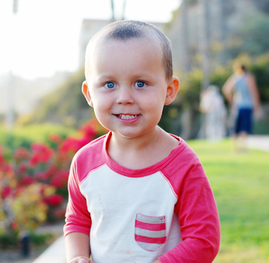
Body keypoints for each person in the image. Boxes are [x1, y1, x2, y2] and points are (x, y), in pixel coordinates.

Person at [64, 20, 220, 263]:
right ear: (89, 94)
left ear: (169, 90)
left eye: (140, 83)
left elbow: (204, 239)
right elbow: (78, 221)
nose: (124, 98)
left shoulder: (183, 165)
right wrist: (77, 256)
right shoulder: (85, 163)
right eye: (109, 84)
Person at [222, 62, 261, 152]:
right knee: (244, 127)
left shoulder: (235, 78)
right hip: (247, 105)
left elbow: (226, 90)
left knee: (235, 127)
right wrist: (257, 104)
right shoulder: (249, 78)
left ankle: (235, 148)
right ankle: (243, 148)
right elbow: (254, 92)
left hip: (237, 105)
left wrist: (232, 101)